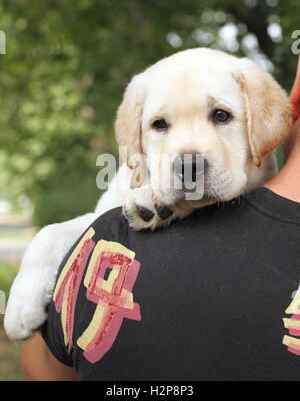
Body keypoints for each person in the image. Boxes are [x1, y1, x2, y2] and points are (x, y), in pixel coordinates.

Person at [19, 59, 300, 381]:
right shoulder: (126, 202)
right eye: (161, 125)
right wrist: (46, 247)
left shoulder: (112, 237)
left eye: (220, 116)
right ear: (136, 141)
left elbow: (37, 369)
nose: (189, 157)